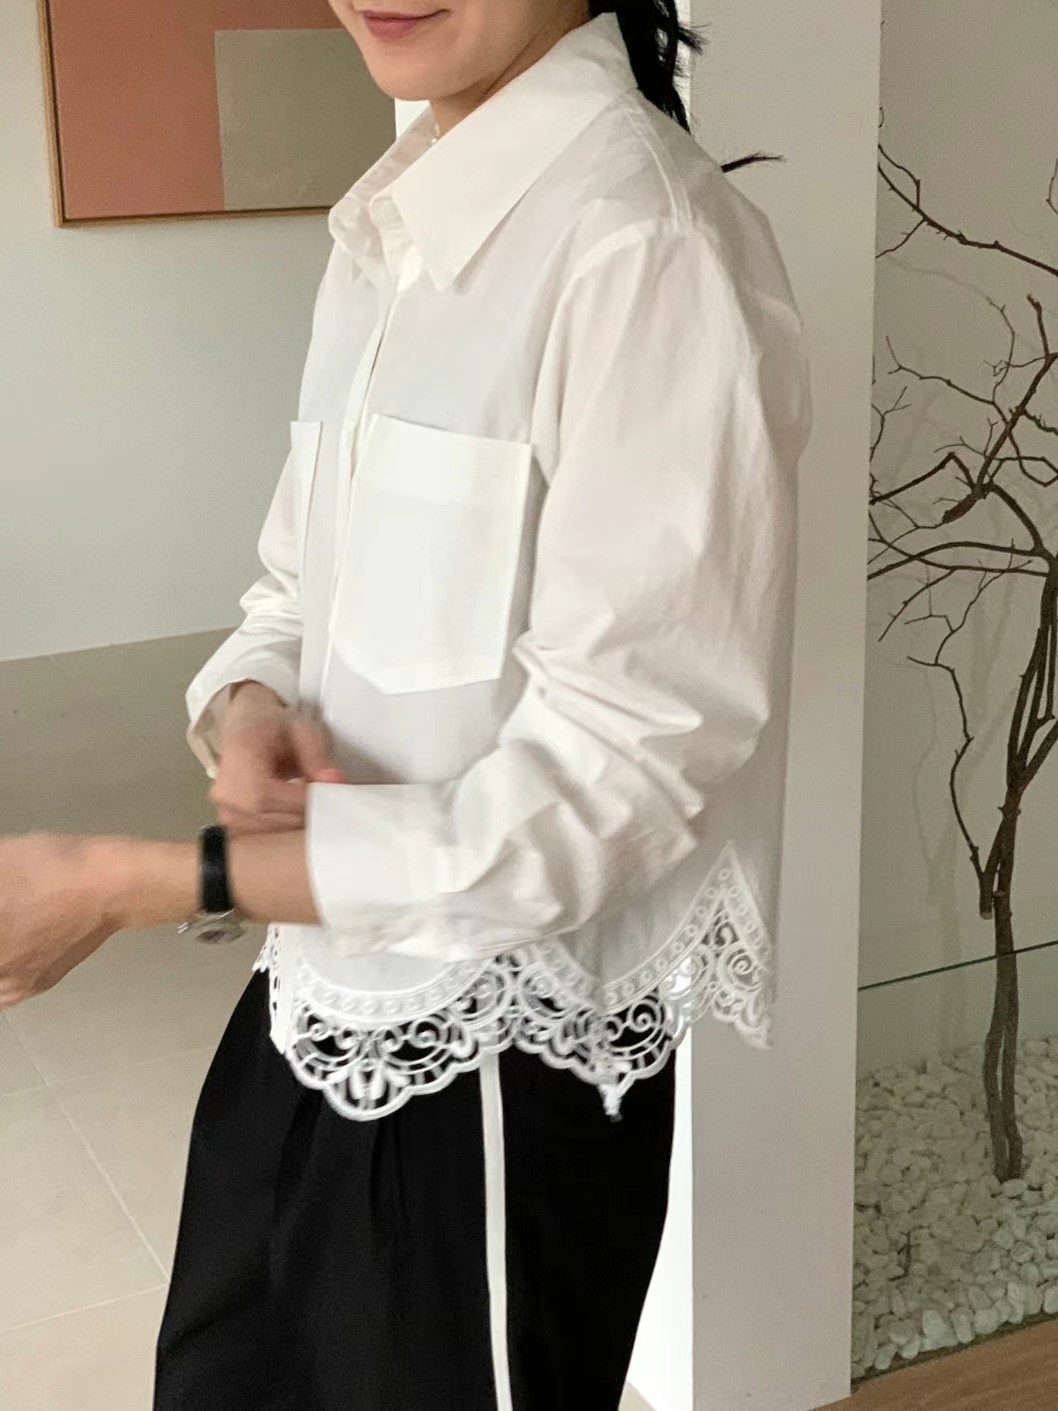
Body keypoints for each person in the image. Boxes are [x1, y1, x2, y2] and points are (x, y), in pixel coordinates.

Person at [0, 2, 811, 1407]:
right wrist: (250, 704)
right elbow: (292, 584)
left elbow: (603, 796)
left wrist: (140, 882)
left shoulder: (646, 247)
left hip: (499, 1076)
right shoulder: (387, 225)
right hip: (319, 998)